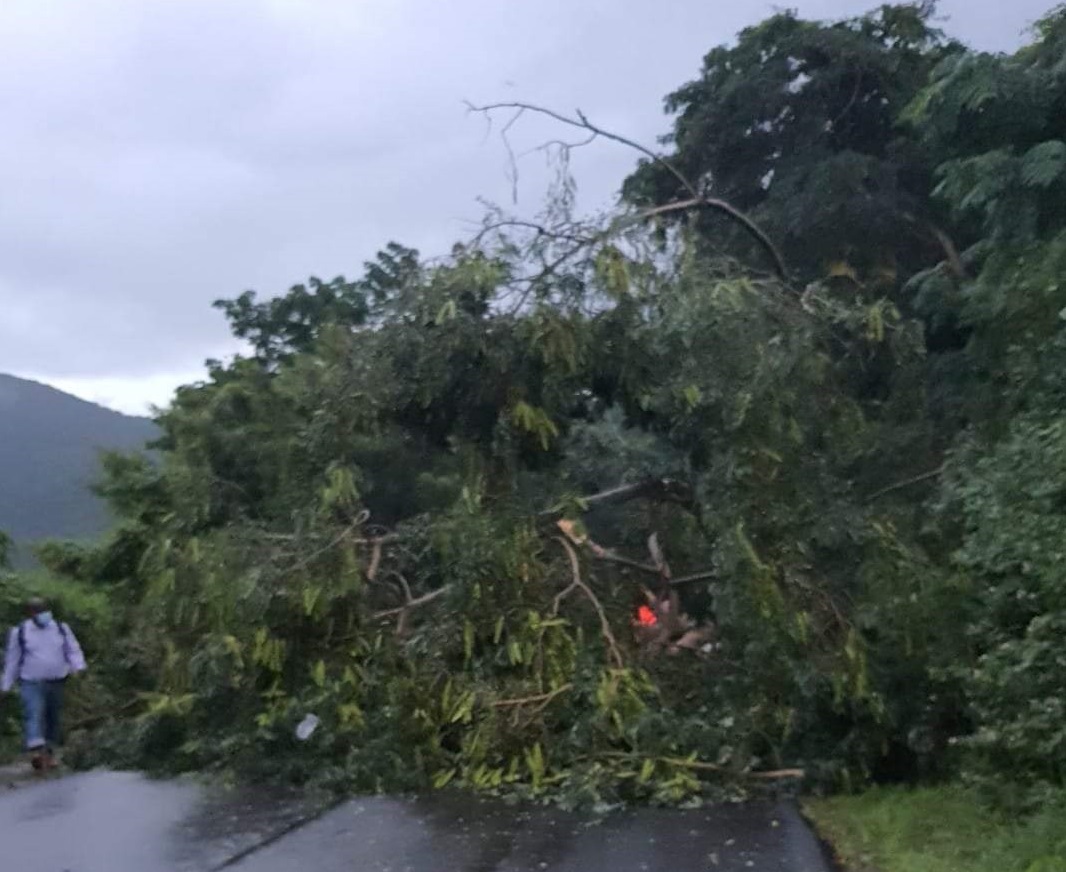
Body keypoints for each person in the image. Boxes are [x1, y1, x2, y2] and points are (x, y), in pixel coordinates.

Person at [1, 596, 87, 770]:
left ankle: (49, 753)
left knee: (52, 717)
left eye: (43, 610)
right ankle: (36, 751)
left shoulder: (60, 628)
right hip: (31, 681)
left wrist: (78, 667)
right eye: (36, 611)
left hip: (56, 680)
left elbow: (72, 649)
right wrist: (5, 686)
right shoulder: (21, 632)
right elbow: (12, 661)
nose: (41, 614)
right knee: (34, 712)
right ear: (30, 614)